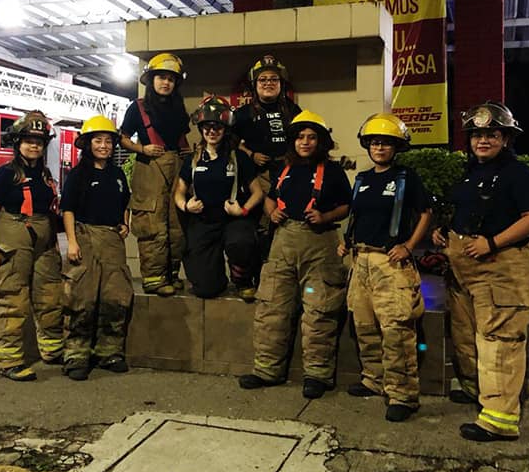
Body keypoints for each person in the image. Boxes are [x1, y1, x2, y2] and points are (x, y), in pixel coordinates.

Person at [431, 102, 529, 442]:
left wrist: (492, 243)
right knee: (466, 334)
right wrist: (443, 232)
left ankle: (500, 418)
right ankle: (476, 390)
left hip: (500, 267)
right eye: (477, 134)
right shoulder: (470, 172)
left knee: (499, 340)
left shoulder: (517, 174)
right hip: (464, 268)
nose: (483, 140)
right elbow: (464, 209)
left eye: (492, 134)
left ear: (506, 139)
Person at [238, 110, 352, 399]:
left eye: (312, 137)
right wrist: (272, 212)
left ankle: (318, 375)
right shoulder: (283, 169)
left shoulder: (334, 171)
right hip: (284, 242)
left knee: (320, 311)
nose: (305, 142)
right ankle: (267, 370)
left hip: (320, 245)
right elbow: (270, 198)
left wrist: (325, 216)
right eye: (300, 137)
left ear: (321, 141)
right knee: (272, 307)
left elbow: (346, 206)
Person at [337, 114, 432, 422]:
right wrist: (346, 243)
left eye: (386, 143)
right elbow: (358, 216)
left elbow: (426, 213)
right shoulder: (362, 179)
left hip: (391, 263)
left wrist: (409, 246)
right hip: (361, 260)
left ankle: (403, 394)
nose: (379, 148)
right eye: (375, 142)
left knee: (396, 330)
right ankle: (373, 380)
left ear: (397, 147)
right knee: (364, 325)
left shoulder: (406, 177)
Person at [0, 110, 64, 382]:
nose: (34, 146)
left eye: (39, 142)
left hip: (44, 240)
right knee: (12, 300)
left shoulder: (44, 174)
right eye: (29, 141)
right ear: (17, 142)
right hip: (13, 238)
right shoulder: (4, 175)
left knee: (50, 296)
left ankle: (53, 350)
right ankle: (9, 361)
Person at [60, 115, 134, 381]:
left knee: (115, 298)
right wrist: (72, 242)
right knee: (82, 298)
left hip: (112, 240)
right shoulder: (78, 175)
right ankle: (76, 355)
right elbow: (67, 209)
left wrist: (124, 224)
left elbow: (125, 202)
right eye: (98, 141)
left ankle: (109, 352)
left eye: (108, 141)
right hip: (85, 237)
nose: (104, 146)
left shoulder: (117, 175)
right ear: (88, 144)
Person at [174, 95, 263, 301]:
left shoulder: (238, 157)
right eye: (207, 127)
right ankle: (215, 278)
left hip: (232, 220)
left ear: (225, 129)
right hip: (204, 222)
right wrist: (186, 205)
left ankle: (242, 279)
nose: (212, 131)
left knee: (241, 242)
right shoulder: (193, 159)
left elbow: (258, 192)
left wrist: (243, 210)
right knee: (205, 289)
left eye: (217, 127)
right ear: (201, 129)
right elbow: (179, 192)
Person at [119, 52, 190, 296]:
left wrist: (187, 154)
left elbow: (182, 137)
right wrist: (142, 149)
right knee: (151, 222)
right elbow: (122, 138)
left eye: (171, 79)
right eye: (161, 77)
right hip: (149, 168)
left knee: (176, 224)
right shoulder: (137, 107)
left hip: (176, 166)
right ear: (151, 80)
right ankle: (153, 277)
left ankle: (171, 274)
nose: (166, 83)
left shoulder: (178, 107)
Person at [234, 54, 302, 259]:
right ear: (255, 85)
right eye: (263, 80)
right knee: (264, 223)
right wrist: (251, 154)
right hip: (260, 176)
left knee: (289, 219)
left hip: (289, 174)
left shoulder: (293, 110)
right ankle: (264, 266)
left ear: (281, 83)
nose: (268, 83)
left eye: (273, 79)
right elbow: (230, 142)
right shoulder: (243, 114)